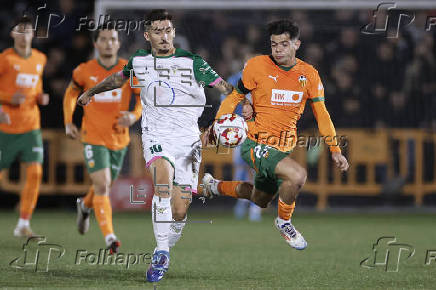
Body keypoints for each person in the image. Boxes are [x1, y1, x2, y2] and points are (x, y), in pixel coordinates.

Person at [76, 10, 233, 282]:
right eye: (158, 31)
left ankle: (164, 248)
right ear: (148, 35)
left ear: (173, 32)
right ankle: (161, 251)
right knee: (162, 180)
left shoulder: (192, 62)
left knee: (180, 209)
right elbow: (118, 78)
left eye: (168, 30)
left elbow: (224, 89)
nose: (164, 35)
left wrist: (239, 108)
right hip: (156, 135)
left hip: (188, 140)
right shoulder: (139, 61)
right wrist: (91, 91)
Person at [202, 19, 349, 250]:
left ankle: (214, 186)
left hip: (282, 147)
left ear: (297, 44)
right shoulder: (256, 66)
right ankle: (284, 222)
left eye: (283, 44)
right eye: (273, 44)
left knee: (261, 199)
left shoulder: (309, 75)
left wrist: (335, 149)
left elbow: (322, 114)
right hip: (254, 143)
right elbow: (234, 96)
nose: (278, 49)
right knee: (298, 175)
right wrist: (220, 122)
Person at [63, 24, 141, 254]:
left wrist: (133, 116)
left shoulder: (128, 69)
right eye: (103, 39)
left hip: (119, 138)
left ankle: (84, 206)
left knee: (103, 185)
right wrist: (69, 122)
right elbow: (70, 93)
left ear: (118, 43)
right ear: (96, 44)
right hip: (93, 136)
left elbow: (141, 100)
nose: (108, 43)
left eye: (113, 39)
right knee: (103, 184)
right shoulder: (84, 70)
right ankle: (110, 237)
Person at [0, 16, 49, 237]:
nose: (23, 35)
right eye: (19, 30)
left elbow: (35, 84)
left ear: (32, 34)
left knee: (35, 172)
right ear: (12, 34)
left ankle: (23, 223)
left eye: (27, 30)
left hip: (31, 126)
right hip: (7, 128)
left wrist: (39, 97)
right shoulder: (5, 59)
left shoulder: (40, 58)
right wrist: (9, 98)